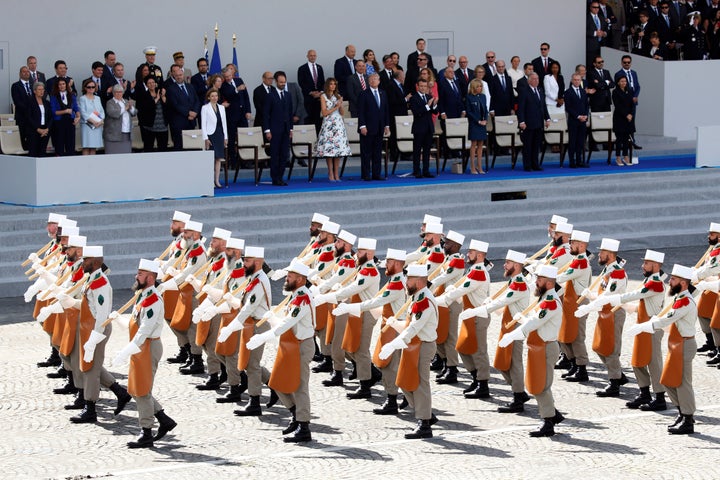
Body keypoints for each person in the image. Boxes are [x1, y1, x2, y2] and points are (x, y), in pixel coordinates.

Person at [581, 249, 668, 411]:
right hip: (641, 325)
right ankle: (644, 393)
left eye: (646, 263)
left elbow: (634, 295)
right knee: (637, 361)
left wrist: (611, 299)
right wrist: (629, 307)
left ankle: (660, 397)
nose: (642, 266)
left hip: (652, 327)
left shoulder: (655, 283)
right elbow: (642, 304)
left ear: (656, 265)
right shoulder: (650, 280)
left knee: (653, 363)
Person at [54, 245, 132, 424]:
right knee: (91, 364)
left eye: (87, 260)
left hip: (97, 329)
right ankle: (121, 393)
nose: (83, 263)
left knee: (89, 369)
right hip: (88, 327)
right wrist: (71, 302)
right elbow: (88, 306)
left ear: (96, 262)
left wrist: (94, 338)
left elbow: (102, 315)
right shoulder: (91, 279)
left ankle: (90, 409)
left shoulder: (101, 283)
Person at [246, 259, 315, 443]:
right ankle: (295, 414)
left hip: (301, 346)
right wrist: (273, 317)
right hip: (290, 344)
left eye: (290, 276)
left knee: (299, 387)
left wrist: (263, 336)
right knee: (276, 381)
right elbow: (285, 321)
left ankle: (304, 426)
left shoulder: (302, 298)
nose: (286, 279)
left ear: (300, 279)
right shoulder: (294, 295)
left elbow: (288, 323)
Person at [333, 248, 408, 414]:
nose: (385, 265)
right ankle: (404, 399)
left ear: (397, 263)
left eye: (388, 262)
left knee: (390, 365)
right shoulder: (395, 280)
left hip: (393, 327)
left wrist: (349, 306)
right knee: (392, 364)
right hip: (389, 324)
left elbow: (376, 301)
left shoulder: (396, 283)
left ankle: (392, 401)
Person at [112, 259, 177, 449]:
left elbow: (144, 331)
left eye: (140, 274)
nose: (136, 276)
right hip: (140, 347)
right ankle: (164, 419)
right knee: (136, 388)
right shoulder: (142, 296)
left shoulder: (153, 300)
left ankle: (146, 431)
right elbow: (134, 325)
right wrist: (118, 319)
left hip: (147, 347)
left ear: (150, 277)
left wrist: (126, 351)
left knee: (141, 391)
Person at [627, 264, 698, 435]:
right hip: (677, 343)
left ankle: (688, 419)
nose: (670, 281)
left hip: (684, 344)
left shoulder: (684, 302)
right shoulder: (679, 298)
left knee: (681, 383)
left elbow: (665, 320)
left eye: (673, 279)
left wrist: (644, 326)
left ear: (683, 283)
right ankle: (682, 412)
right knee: (667, 380)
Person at [460, 250, 531, 414]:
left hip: (515, 326)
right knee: (502, 362)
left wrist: (478, 310)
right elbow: (502, 303)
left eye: (507, 262)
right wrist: (489, 302)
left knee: (514, 363)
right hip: (508, 323)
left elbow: (501, 302)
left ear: (517, 265)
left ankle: (518, 397)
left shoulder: (519, 283)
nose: (504, 265)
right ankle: (519, 392)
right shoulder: (514, 281)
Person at [499, 265, 565, 437]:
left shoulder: (550, 302)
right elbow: (534, 320)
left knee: (541, 386)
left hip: (545, 347)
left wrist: (512, 335)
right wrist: (523, 318)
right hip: (538, 346)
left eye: (540, 280)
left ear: (550, 284)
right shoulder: (544, 299)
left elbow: (534, 323)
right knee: (537, 383)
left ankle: (548, 422)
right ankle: (552, 414)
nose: (536, 282)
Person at [379, 263, 439, 439]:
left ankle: (425, 424)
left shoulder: (424, 301)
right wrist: (395, 325)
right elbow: (409, 326)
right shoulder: (417, 297)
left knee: (419, 384)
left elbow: (414, 328)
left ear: (420, 282)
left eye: (409, 279)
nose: (406, 282)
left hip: (422, 345)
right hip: (413, 344)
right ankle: (425, 412)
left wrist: (392, 345)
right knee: (404, 381)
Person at [316, 238, 381, 399]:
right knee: (350, 346)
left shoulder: (369, 271)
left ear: (370, 253)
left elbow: (354, 288)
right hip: (357, 311)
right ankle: (371, 373)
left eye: (360, 252)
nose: (356, 254)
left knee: (360, 349)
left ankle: (365, 385)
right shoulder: (362, 268)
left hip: (365, 313)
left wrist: (327, 296)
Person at [214, 246, 273, 415]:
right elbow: (242, 303)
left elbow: (248, 307)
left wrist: (230, 328)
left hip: (258, 324)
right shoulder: (253, 278)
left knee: (251, 365)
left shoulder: (259, 281)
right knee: (248, 363)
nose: (244, 263)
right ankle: (274, 386)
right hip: (250, 324)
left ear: (258, 262)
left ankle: (255, 403)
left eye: (247, 261)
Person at [436, 239, 491, 398]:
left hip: (478, 316)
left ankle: (483, 384)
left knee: (479, 351)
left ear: (479, 255)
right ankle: (476, 377)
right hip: (469, 315)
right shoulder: (474, 270)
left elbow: (461, 291)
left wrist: (439, 300)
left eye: (471, 252)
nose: (468, 254)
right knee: (463, 348)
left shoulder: (478, 272)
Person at [583, 238, 629, 397]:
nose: (599, 254)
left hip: (614, 311)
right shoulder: (609, 269)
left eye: (602, 252)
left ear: (610, 254)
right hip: (605, 311)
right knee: (599, 347)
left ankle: (614, 383)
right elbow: (604, 291)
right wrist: (592, 295)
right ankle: (618, 375)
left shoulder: (617, 272)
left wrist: (592, 300)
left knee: (610, 348)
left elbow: (610, 294)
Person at [555, 230, 593, 382]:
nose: (570, 245)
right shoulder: (576, 259)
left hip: (578, 301)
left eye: (573, 243)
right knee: (565, 334)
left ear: (582, 246)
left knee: (576, 336)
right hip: (570, 300)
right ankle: (573, 365)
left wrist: (545, 277)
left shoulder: (580, 262)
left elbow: (562, 277)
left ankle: (581, 368)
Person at [313, 78, 351, 182]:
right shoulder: (323, 96)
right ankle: (330, 173)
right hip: (329, 124)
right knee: (329, 151)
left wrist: (340, 105)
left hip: (338, 125)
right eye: (331, 84)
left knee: (337, 151)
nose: (333, 86)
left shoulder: (338, 96)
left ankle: (336, 173)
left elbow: (342, 113)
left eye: (335, 84)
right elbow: (324, 112)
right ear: (327, 85)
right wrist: (335, 107)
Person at [357, 73, 390, 181]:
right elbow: (361, 111)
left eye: (375, 79)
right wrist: (362, 126)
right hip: (367, 127)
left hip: (380, 127)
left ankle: (376, 174)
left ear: (379, 81)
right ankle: (366, 174)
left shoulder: (383, 93)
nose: (373, 81)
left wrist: (387, 125)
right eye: (371, 79)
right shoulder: (363, 94)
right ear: (368, 81)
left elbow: (385, 110)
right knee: (366, 152)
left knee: (377, 152)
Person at [263, 71, 294, 186]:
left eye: (284, 82)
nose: (282, 84)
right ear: (276, 82)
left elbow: (290, 113)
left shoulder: (288, 95)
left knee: (284, 155)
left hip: (286, 130)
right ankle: (274, 178)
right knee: (275, 154)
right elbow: (266, 114)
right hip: (274, 130)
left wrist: (291, 129)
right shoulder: (270, 96)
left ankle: (281, 176)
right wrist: (267, 130)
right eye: (280, 82)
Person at [517, 73, 550, 172]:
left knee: (536, 145)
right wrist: (522, 121)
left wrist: (547, 118)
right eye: (534, 79)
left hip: (539, 123)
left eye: (537, 79)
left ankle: (536, 164)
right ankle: (527, 165)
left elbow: (543, 106)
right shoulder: (524, 91)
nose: (536, 80)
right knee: (528, 145)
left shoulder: (540, 90)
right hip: (528, 123)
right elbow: (521, 108)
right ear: (529, 80)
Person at [219, 66, 251, 166]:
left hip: (242, 114)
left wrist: (248, 111)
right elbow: (228, 95)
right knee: (232, 139)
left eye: (229, 76)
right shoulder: (223, 85)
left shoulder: (239, 80)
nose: (228, 78)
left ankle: (246, 160)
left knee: (244, 137)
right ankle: (233, 161)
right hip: (232, 115)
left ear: (232, 74)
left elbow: (246, 96)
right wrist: (237, 89)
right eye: (226, 77)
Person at [166, 64, 200, 150]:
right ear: (173, 76)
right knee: (179, 147)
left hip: (191, 121)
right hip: (179, 123)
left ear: (183, 75)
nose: (179, 77)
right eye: (176, 75)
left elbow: (196, 100)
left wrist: (195, 112)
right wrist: (188, 112)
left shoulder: (190, 86)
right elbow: (175, 105)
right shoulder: (171, 89)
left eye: (180, 75)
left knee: (191, 146)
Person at [409, 79, 438, 178]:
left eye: (425, 86)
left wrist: (434, 104)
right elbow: (417, 112)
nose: (423, 88)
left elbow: (435, 112)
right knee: (417, 151)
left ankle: (426, 170)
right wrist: (427, 105)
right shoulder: (414, 98)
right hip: (419, 128)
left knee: (427, 151)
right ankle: (416, 170)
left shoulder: (429, 97)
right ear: (417, 86)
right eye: (421, 86)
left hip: (428, 127)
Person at [201, 89, 229, 188]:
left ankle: (217, 180)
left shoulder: (221, 108)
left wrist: (225, 137)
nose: (214, 98)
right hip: (210, 135)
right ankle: (210, 180)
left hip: (219, 134)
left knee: (218, 159)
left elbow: (224, 124)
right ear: (209, 97)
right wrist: (206, 138)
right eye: (212, 96)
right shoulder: (205, 108)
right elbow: (203, 125)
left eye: (216, 96)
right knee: (211, 158)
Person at [614, 55, 642, 150]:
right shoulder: (618, 74)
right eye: (625, 62)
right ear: (622, 63)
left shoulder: (634, 73)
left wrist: (635, 96)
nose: (627, 64)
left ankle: (632, 142)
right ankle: (623, 143)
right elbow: (619, 89)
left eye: (628, 62)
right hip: (624, 103)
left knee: (631, 122)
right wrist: (630, 97)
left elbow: (637, 86)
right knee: (623, 123)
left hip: (632, 102)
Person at [135, 76, 168, 152]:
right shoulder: (143, 95)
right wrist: (156, 99)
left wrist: (163, 97)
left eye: (153, 82)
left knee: (163, 148)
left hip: (162, 125)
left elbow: (167, 106)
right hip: (149, 126)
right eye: (149, 83)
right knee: (148, 148)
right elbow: (144, 108)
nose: (151, 84)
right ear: (146, 85)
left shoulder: (160, 92)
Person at [564, 73, 590, 168]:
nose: (577, 81)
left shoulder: (583, 92)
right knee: (573, 141)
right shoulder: (568, 92)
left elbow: (587, 105)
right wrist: (578, 116)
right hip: (573, 120)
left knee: (581, 141)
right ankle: (572, 161)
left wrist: (585, 116)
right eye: (575, 80)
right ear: (572, 80)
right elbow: (568, 107)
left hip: (583, 121)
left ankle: (580, 161)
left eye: (578, 80)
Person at [48, 78, 80, 156]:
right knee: (59, 143)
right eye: (60, 84)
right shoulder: (53, 96)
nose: (62, 86)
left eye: (63, 84)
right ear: (57, 86)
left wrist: (78, 117)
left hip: (70, 121)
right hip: (59, 122)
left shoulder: (71, 95)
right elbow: (53, 111)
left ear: (66, 85)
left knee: (70, 143)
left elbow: (76, 108)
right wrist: (65, 111)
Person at [297, 50, 325, 133]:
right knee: (309, 118)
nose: (313, 57)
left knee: (318, 119)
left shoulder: (319, 67)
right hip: (308, 98)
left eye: (314, 55)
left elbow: (322, 81)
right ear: (307, 56)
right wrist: (311, 92)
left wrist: (320, 92)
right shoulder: (302, 68)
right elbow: (301, 83)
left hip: (319, 98)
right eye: (311, 55)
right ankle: (310, 137)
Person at [103, 84, 135, 154]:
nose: (118, 94)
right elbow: (112, 113)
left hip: (126, 132)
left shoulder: (126, 101)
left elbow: (134, 113)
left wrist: (131, 107)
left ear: (123, 93)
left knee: (126, 153)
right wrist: (125, 108)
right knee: (113, 154)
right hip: (114, 134)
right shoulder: (110, 102)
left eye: (120, 92)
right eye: (116, 92)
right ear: (113, 93)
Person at [465, 79, 488, 175]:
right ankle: (472, 167)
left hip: (482, 123)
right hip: (474, 123)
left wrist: (485, 119)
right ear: (474, 87)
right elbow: (469, 112)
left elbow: (485, 109)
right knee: (474, 145)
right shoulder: (469, 97)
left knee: (480, 145)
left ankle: (479, 166)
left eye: (481, 86)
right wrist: (478, 121)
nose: (480, 88)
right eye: (478, 86)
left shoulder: (483, 96)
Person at [612, 76, 635, 166]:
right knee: (619, 138)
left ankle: (626, 156)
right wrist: (626, 114)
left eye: (625, 81)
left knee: (626, 138)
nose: (624, 83)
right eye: (622, 81)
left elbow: (632, 104)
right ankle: (618, 157)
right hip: (619, 118)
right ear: (618, 82)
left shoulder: (629, 91)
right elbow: (617, 106)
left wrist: (631, 114)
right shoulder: (615, 92)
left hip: (629, 118)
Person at [26, 82, 53, 157]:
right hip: (34, 131)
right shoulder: (30, 102)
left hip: (45, 131)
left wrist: (47, 129)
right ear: (34, 91)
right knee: (33, 152)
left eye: (43, 89)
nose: (41, 91)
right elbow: (29, 117)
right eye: (39, 89)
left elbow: (51, 117)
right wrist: (38, 129)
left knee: (42, 152)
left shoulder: (46, 102)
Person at [78, 79, 104, 155]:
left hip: (97, 125)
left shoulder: (97, 98)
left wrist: (101, 121)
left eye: (93, 87)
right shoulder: (82, 98)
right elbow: (83, 112)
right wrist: (93, 121)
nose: (91, 88)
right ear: (85, 88)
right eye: (89, 87)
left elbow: (101, 111)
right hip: (87, 125)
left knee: (94, 147)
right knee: (86, 146)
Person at [11, 66, 33, 150]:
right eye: (24, 72)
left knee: (31, 138)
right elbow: (17, 102)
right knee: (23, 137)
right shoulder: (16, 86)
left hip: (32, 118)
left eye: (28, 72)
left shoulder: (32, 85)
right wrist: (30, 110)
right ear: (20, 74)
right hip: (22, 117)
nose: (26, 73)